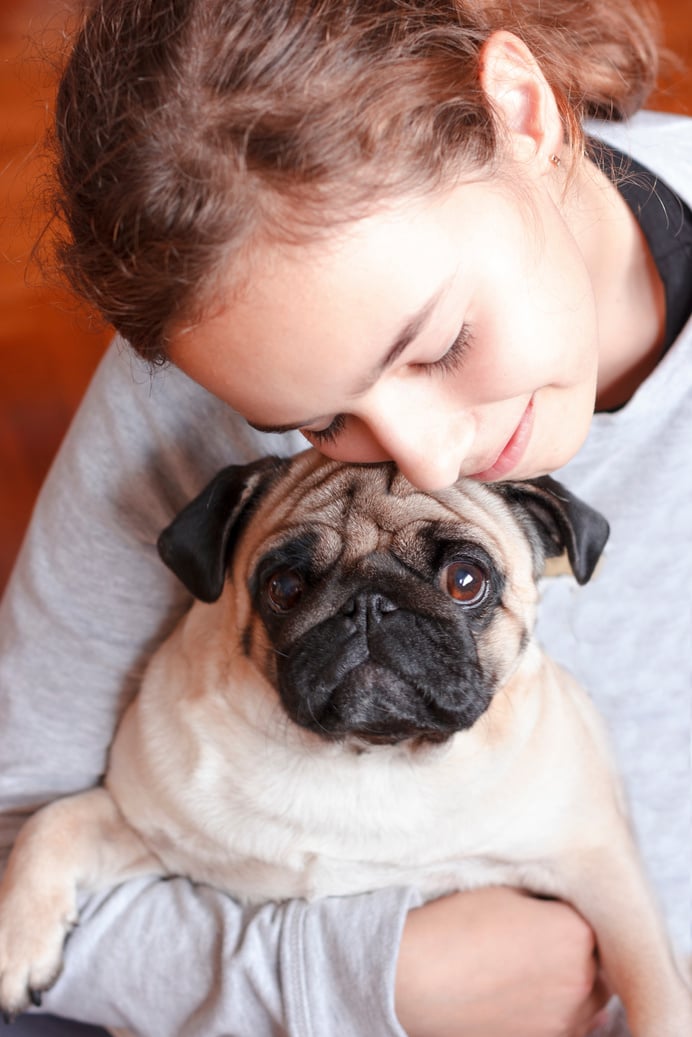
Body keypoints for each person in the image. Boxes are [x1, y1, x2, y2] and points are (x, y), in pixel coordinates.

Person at [1, 0, 690, 1035]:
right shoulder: (211, 352)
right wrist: (366, 978)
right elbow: (22, 833)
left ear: (523, 113)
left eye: (439, 343)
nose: (422, 452)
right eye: (320, 423)